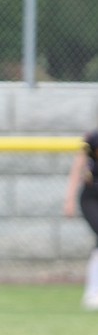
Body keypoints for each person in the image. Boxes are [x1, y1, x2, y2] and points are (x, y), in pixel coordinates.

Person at [63, 128, 98, 311]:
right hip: (92, 196)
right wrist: (69, 200)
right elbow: (78, 167)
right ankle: (93, 292)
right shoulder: (93, 138)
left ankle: (93, 292)